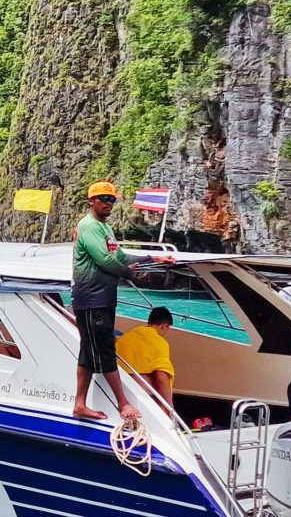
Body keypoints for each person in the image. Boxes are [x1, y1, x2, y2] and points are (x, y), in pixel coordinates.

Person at [71, 180, 176, 420]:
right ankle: (123, 405)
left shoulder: (105, 229)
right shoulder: (88, 226)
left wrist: (154, 258)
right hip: (91, 299)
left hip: (104, 299)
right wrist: (132, 274)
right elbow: (105, 261)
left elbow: (120, 255)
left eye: (112, 200)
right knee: (105, 349)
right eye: (103, 199)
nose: (108, 203)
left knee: (88, 352)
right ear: (91, 201)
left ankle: (80, 404)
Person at [115, 307, 175, 408]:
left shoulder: (126, 337)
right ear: (164, 326)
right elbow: (161, 376)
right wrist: (169, 407)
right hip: (142, 394)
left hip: (119, 388)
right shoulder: (160, 342)